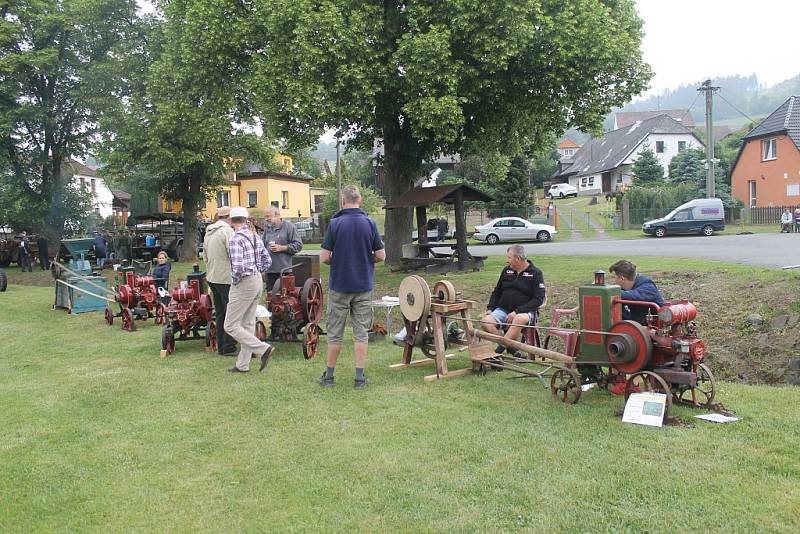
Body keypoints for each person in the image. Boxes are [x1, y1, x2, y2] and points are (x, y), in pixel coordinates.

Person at [319, 185, 385, 388]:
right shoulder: (369, 223)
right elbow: (381, 256)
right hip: (363, 285)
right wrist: (365, 259)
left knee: (335, 333)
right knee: (361, 333)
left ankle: (329, 377)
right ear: (361, 200)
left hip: (339, 285)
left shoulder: (335, 223)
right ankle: (359, 378)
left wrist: (338, 262)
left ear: (342, 201)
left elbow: (324, 257)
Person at [225, 206, 274, 373]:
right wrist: (257, 270)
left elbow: (237, 267)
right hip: (257, 280)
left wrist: (237, 281)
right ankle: (243, 365)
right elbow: (267, 261)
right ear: (246, 220)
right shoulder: (255, 236)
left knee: (230, 325)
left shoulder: (235, 239)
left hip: (244, 282)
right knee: (247, 323)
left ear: (231, 221)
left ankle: (263, 348)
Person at [481, 244, 546, 354]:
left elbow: (538, 299)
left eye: (509, 258)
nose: (507, 261)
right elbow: (497, 292)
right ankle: (511, 348)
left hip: (526, 312)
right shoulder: (506, 271)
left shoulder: (536, 273)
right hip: (503, 310)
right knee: (485, 322)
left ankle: (498, 352)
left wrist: (517, 311)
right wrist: (490, 308)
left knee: (518, 319)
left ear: (518, 259)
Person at [203, 207, 237, 356]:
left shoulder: (209, 232)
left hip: (212, 276)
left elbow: (204, 255)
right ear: (229, 217)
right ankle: (228, 347)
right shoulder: (227, 231)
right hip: (225, 278)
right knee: (231, 313)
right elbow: (233, 254)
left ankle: (222, 347)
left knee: (221, 313)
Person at [609, 259, 664, 325]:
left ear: (622, 278)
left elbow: (634, 296)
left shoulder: (647, 285)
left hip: (652, 326)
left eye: (613, 277)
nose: (612, 281)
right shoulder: (624, 287)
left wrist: (609, 293)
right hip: (635, 324)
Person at [261, 205, 303, 292]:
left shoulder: (289, 227)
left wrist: (283, 248)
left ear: (277, 215)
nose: (266, 219)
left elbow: (298, 245)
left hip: (285, 271)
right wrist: (263, 269)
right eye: (265, 216)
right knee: (271, 299)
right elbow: (263, 248)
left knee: (284, 298)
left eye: (268, 216)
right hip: (270, 271)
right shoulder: (267, 229)